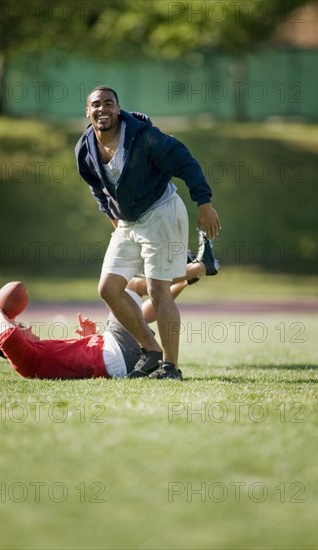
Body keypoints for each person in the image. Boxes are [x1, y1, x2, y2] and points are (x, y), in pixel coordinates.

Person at [75, 85, 221, 380]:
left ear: (118, 109)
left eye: (108, 103)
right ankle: (150, 350)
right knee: (108, 288)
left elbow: (185, 161)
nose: (102, 109)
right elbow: (97, 189)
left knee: (157, 289)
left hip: (161, 212)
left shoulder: (145, 137)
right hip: (128, 221)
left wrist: (204, 204)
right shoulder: (85, 149)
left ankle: (170, 366)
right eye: (96, 105)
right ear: (88, 111)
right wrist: (114, 218)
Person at [0, 257, 212, 380]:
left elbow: (76, 364)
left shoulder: (37, 355)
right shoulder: (23, 359)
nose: (24, 326)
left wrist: (89, 339)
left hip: (118, 360)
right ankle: (199, 267)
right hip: (114, 356)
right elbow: (7, 338)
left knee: (135, 316)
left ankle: (184, 280)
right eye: (20, 326)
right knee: (132, 285)